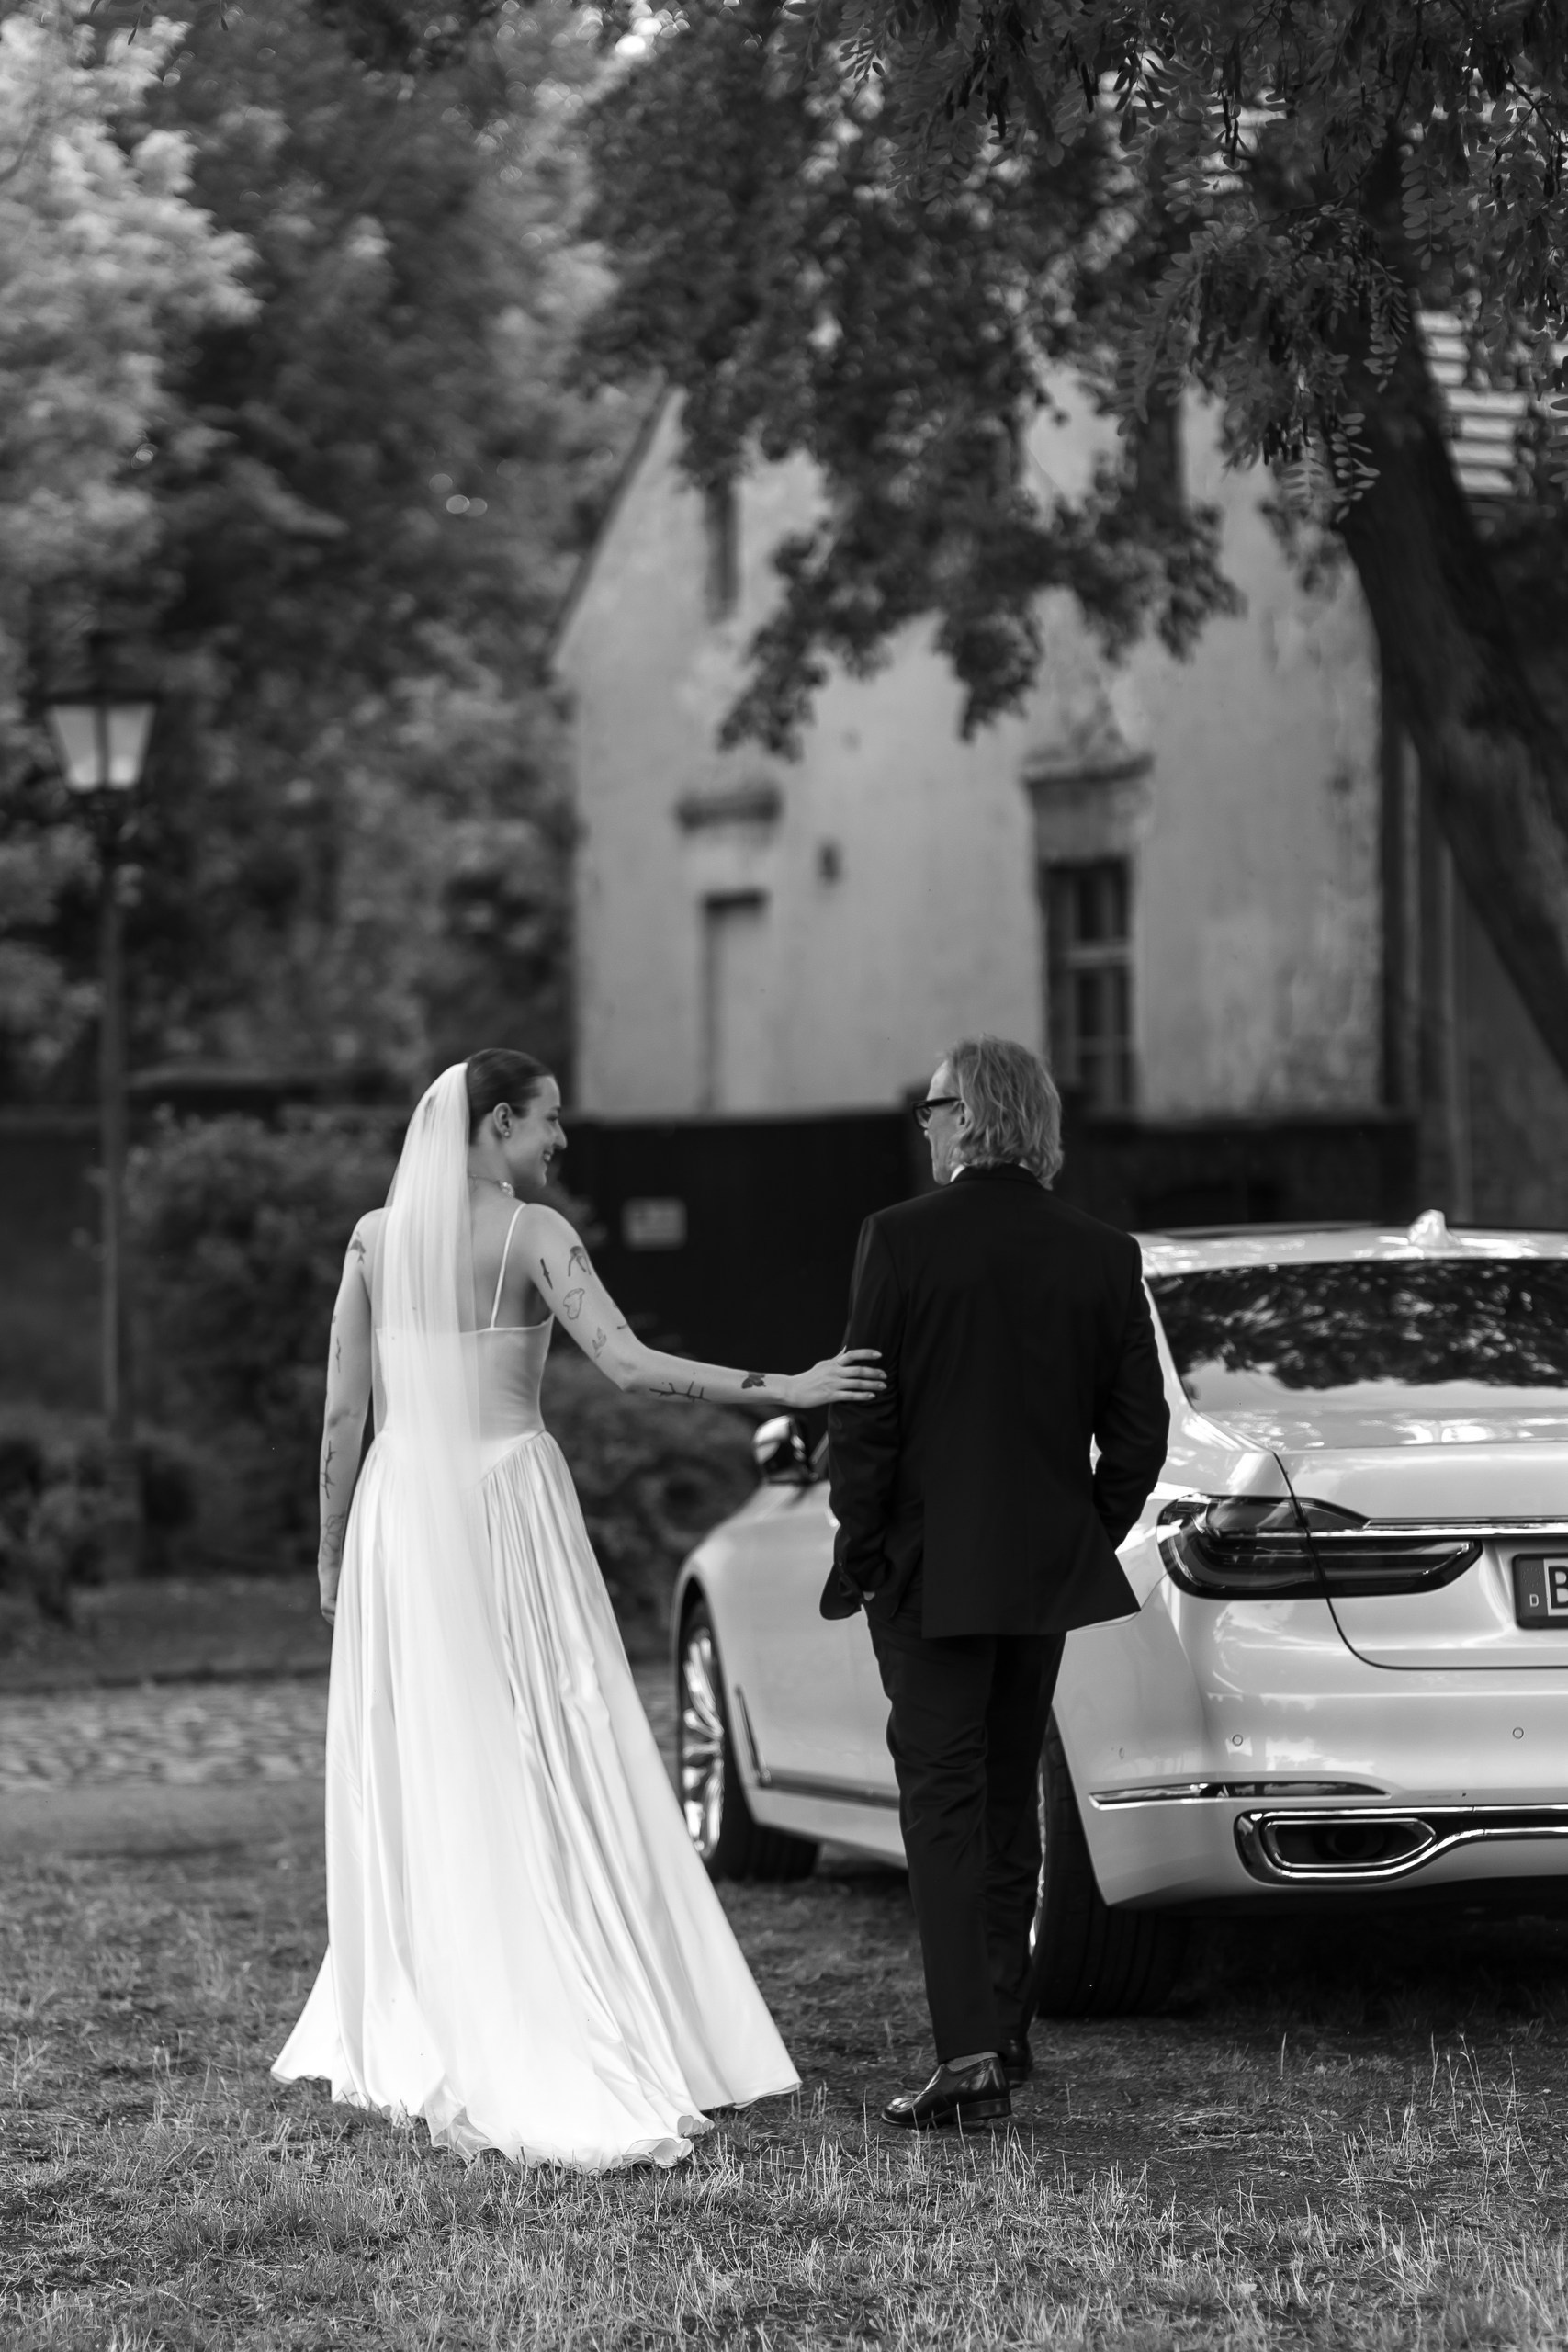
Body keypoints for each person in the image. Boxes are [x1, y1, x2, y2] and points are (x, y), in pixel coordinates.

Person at [274, 1050, 884, 2170]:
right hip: (507, 1505)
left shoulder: (373, 1237)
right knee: (557, 1732)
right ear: (499, 1121)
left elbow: (343, 1417)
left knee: (432, 1750)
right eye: (550, 1122)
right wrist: (785, 1387)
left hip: (400, 1516)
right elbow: (631, 1365)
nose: (562, 1141)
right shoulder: (533, 1235)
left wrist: (330, 1556)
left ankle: (443, 1987)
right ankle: (564, 1974)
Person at [823, 1035, 1168, 2131]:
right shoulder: (1103, 1252)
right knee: (1010, 1792)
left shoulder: (898, 1239)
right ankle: (1003, 2035)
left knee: (942, 1808)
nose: (921, 1126)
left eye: (929, 1108)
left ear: (968, 1117)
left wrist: (867, 1551)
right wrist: (1079, 1530)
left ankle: (968, 2052)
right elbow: (1140, 1436)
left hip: (925, 1577)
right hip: (1038, 1576)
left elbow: (863, 1416)